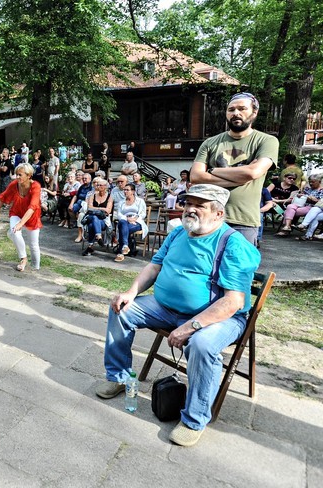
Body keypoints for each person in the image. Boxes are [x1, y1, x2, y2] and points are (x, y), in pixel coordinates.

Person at [95, 184, 260, 447]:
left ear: (218, 214)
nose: (190, 209)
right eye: (187, 203)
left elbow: (233, 302)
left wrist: (192, 326)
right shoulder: (179, 233)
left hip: (216, 317)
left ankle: (194, 419)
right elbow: (154, 267)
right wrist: (130, 292)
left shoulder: (233, 244)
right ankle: (119, 378)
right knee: (121, 309)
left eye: (199, 205)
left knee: (202, 344)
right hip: (165, 308)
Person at [189, 92, 279, 245]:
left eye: (242, 109)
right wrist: (242, 177)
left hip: (243, 221)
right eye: (231, 109)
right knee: (202, 267)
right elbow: (196, 177)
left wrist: (212, 171)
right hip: (208, 216)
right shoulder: (210, 143)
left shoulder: (267, 141)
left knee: (237, 268)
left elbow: (253, 172)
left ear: (254, 112)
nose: (236, 113)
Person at [0, 163, 42, 272]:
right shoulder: (14, 184)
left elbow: (32, 207)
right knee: (15, 232)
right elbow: (3, 197)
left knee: (33, 245)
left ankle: (36, 268)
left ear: (28, 175)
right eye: (16, 174)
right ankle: (23, 259)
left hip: (32, 215)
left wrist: (21, 224)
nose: (17, 177)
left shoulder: (36, 186)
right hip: (16, 212)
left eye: (20, 175)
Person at [114, 183, 148, 262]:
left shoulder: (140, 201)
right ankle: (125, 247)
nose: (125, 192)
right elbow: (119, 214)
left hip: (137, 222)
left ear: (133, 191)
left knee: (123, 228)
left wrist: (134, 219)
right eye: (124, 190)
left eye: (127, 190)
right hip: (125, 220)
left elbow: (143, 213)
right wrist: (127, 219)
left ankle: (121, 251)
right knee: (122, 223)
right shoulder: (121, 202)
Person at [81, 177, 114, 256]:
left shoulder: (109, 197)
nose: (98, 186)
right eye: (98, 185)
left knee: (92, 224)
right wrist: (102, 209)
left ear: (106, 186)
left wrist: (96, 209)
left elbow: (108, 210)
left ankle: (90, 247)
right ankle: (98, 236)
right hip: (90, 217)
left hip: (103, 220)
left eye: (101, 185)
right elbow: (89, 208)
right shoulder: (93, 196)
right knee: (94, 217)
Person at [69, 172, 93, 242]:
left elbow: (89, 198)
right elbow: (76, 195)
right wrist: (71, 204)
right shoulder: (82, 186)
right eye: (83, 178)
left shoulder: (92, 187)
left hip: (86, 203)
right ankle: (76, 222)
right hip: (79, 202)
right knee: (70, 209)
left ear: (90, 179)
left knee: (80, 214)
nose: (84, 180)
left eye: (85, 178)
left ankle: (81, 230)